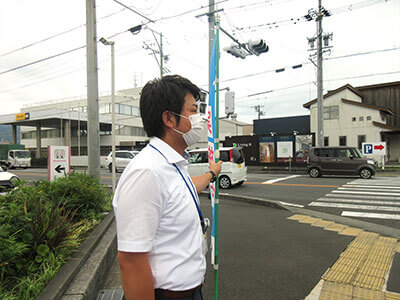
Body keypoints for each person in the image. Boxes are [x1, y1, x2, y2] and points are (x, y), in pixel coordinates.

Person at [113, 74, 223, 300]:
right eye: (193, 110)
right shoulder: (147, 172)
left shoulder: (172, 163)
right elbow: (131, 261)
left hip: (192, 291)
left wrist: (211, 173)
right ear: (169, 119)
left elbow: (186, 189)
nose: (199, 118)